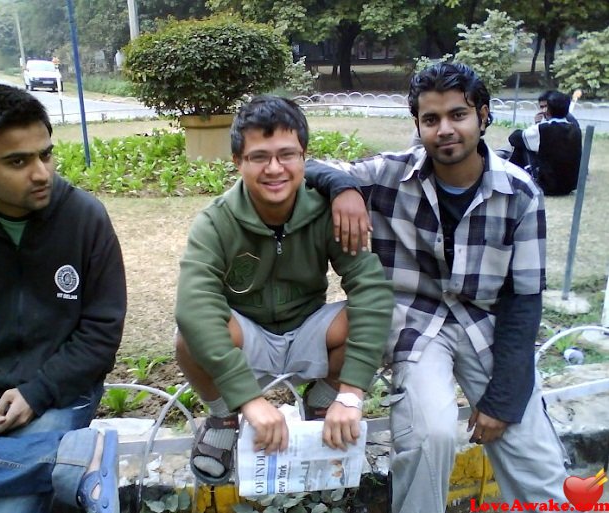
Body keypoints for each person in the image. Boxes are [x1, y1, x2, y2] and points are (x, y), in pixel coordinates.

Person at [305, 63, 568, 512]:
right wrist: (345, 189)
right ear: (418, 125)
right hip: (416, 322)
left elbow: (524, 301)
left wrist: (503, 399)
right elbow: (306, 165)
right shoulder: (390, 175)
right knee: (430, 435)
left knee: (534, 459)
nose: (445, 129)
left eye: (458, 115)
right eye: (431, 119)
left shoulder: (519, 194)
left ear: (483, 116)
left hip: (487, 325)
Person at [0, 83, 127, 513]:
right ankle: (69, 459)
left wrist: (37, 390)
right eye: (18, 161)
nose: (41, 173)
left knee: (7, 510)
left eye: (45, 154)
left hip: (59, 390)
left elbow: (101, 332)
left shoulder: (85, 217)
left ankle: (45, 461)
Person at [174, 95, 394, 485]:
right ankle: (224, 414)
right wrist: (249, 401)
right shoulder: (215, 222)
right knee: (189, 335)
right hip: (250, 335)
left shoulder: (329, 212)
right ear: (237, 162)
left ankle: (323, 400)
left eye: (286, 155)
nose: (274, 169)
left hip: (308, 328)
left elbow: (371, 287)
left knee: (374, 312)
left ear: (304, 158)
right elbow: (195, 305)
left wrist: (351, 393)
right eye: (259, 157)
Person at [508, 90, 582, 196]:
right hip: (569, 186)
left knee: (522, 145)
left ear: (549, 110)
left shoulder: (543, 128)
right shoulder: (576, 129)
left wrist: (536, 125)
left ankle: (509, 177)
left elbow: (513, 138)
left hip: (547, 186)